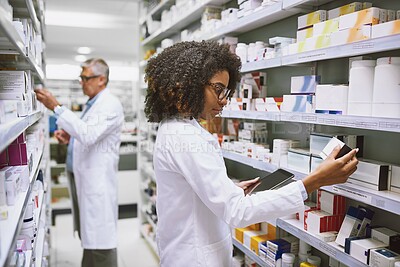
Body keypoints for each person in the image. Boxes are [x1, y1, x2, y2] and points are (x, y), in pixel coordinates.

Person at [144, 41, 359, 267]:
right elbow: (238, 212)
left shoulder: (179, 127)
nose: (224, 100)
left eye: (226, 91)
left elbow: (190, 191)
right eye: (218, 89)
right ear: (188, 84)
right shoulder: (185, 137)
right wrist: (315, 181)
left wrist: (229, 191)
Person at [35, 58, 124, 267]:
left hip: (97, 183)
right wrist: (70, 138)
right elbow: (87, 134)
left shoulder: (110, 103)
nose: (82, 82)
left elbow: (89, 134)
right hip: (83, 179)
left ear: (101, 79)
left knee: (101, 240)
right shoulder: (93, 104)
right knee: (90, 238)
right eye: (81, 78)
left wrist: (56, 107)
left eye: (85, 78)